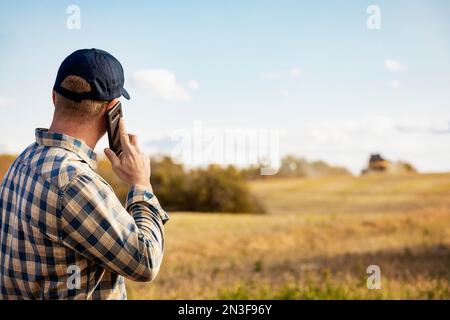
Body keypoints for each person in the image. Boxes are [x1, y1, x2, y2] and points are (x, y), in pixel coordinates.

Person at [0, 48, 169, 299]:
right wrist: (141, 184)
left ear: (54, 97)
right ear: (113, 109)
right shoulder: (75, 183)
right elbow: (145, 262)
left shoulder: (23, 160)